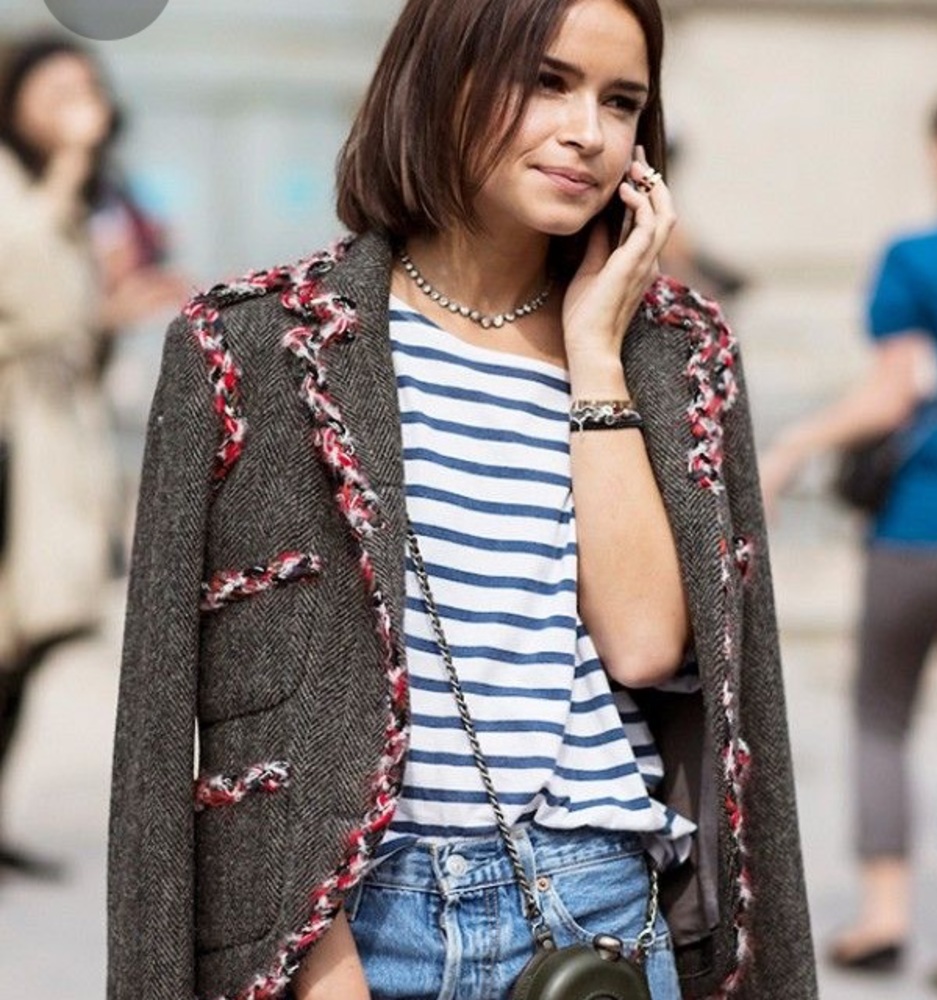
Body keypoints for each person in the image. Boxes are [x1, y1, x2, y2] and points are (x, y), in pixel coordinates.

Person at [107, 1, 816, 998]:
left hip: (601, 915)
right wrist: (320, 955)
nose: (589, 132)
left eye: (622, 102)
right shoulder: (256, 348)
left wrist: (596, 355)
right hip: (364, 925)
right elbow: (168, 724)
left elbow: (650, 646)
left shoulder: (673, 357)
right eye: (548, 81)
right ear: (444, 75)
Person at [761, 81, 937, 996]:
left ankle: (888, 916)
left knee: (880, 716)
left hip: (920, 530)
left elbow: (892, 395)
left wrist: (794, 444)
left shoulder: (918, 257)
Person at [0, 34, 185, 877]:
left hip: (47, 445)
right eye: (58, 87)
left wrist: (114, 313)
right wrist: (71, 168)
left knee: (25, 646)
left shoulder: (88, 197)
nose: (80, 104)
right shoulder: (25, 187)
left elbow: (65, 324)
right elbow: (26, 294)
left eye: (88, 87)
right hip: (13, 442)